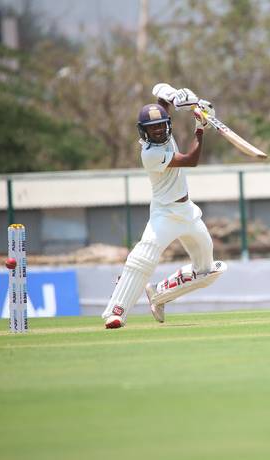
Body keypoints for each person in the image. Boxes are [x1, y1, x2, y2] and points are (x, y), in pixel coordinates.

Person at [102, 83, 226, 329]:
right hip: (164, 214)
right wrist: (200, 127)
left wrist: (177, 98)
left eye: (161, 125)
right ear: (144, 132)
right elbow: (191, 160)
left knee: (208, 271)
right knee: (142, 258)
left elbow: (162, 104)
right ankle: (116, 312)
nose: (158, 130)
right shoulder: (150, 154)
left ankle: (159, 293)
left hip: (188, 212)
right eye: (152, 128)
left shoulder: (164, 130)